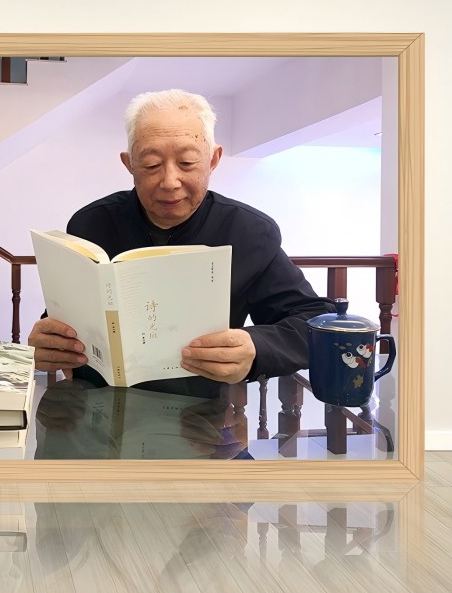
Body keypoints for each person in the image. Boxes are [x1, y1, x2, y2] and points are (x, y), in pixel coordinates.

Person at [28, 89, 332, 396]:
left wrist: (255, 346)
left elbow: (314, 321)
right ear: (129, 164)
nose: (170, 182)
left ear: (213, 160)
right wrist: (50, 341)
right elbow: (72, 316)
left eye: (187, 162)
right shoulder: (91, 223)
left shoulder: (248, 232)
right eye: (151, 165)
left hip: (196, 415)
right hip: (94, 404)